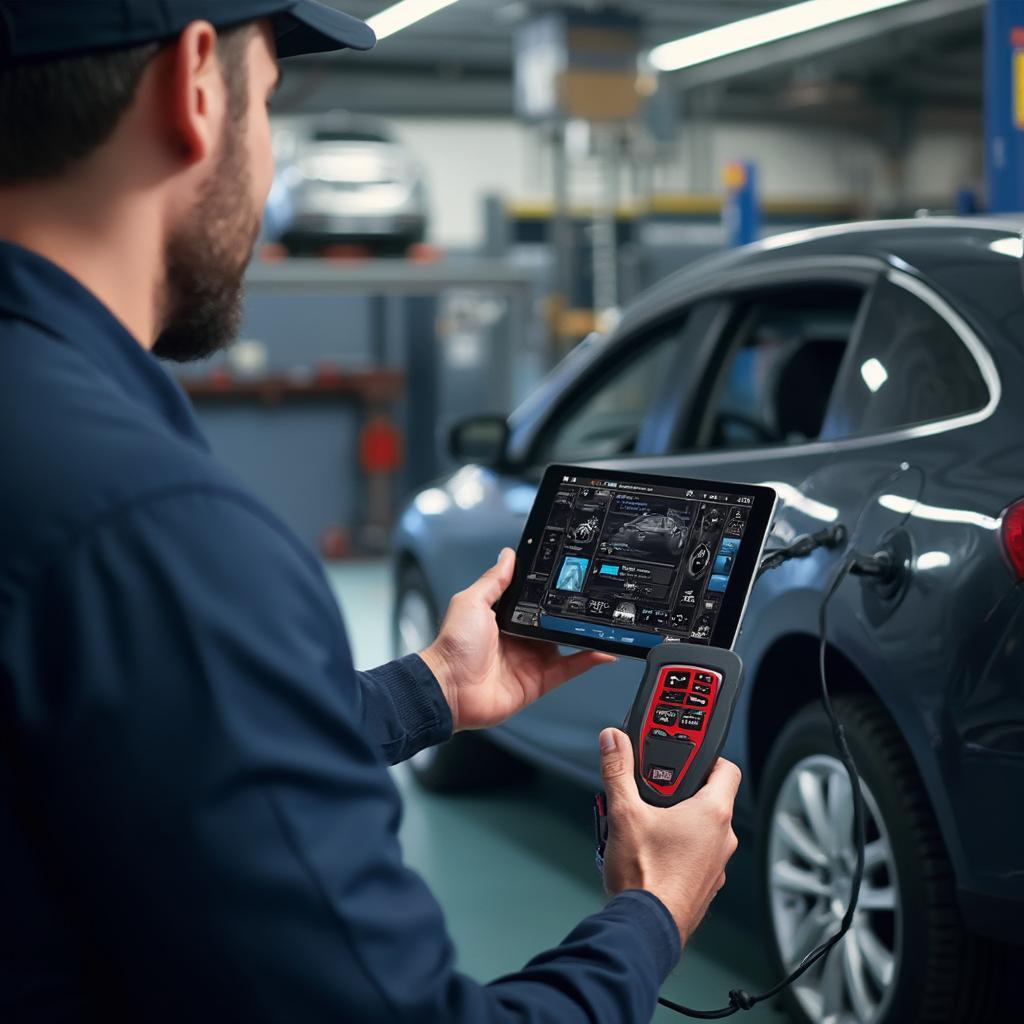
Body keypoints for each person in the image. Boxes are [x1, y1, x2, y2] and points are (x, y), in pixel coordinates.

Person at [0, 3, 741, 1021]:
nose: (265, 165)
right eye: (272, 101)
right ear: (197, 85)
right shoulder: (154, 531)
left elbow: (132, 751)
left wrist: (429, 687)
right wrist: (650, 912)